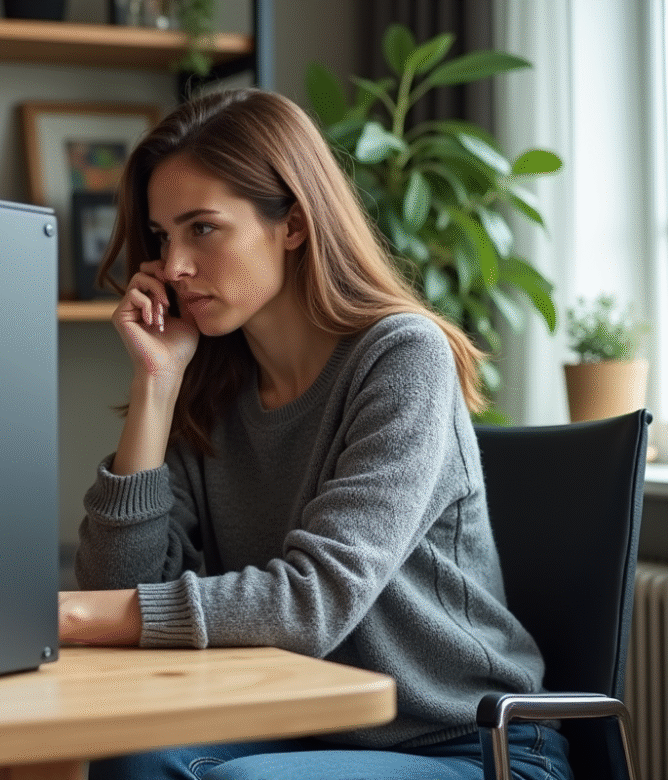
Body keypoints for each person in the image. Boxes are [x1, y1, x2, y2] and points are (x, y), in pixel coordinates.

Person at [56, 88, 572, 780]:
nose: (174, 266)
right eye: (161, 237)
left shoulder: (401, 358)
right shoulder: (209, 380)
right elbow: (123, 587)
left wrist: (72, 616)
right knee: (130, 757)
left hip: (466, 743)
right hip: (306, 730)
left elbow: (312, 601)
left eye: (202, 228)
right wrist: (156, 384)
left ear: (292, 224)